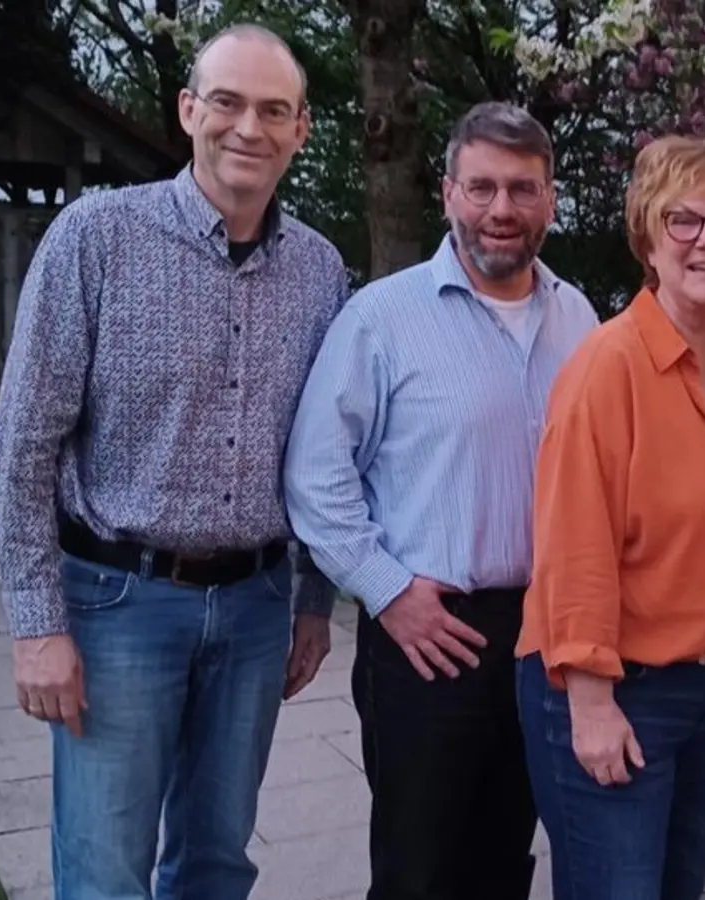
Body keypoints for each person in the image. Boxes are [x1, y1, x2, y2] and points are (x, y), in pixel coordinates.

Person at [0, 24, 345, 900]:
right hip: (118, 607)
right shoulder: (96, 241)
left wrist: (313, 600)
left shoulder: (323, 271)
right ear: (190, 111)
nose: (247, 128)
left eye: (273, 110)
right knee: (105, 872)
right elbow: (21, 446)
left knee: (217, 865)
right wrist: (38, 627)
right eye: (226, 102)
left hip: (258, 610)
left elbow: (330, 455)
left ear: (301, 131)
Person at [282, 102, 598, 900]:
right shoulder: (381, 318)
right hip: (428, 629)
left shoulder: (581, 319)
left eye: (522, 189)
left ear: (550, 200)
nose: (502, 210)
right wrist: (387, 593)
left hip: (542, 635)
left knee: (505, 859)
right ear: (450, 193)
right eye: (482, 187)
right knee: (419, 868)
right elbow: (315, 477)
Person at [514, 130, 705, 900]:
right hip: (611, 686)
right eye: (684, 220)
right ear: (649, 237)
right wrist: (591, 704)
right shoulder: (609, 366)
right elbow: (573, 543)